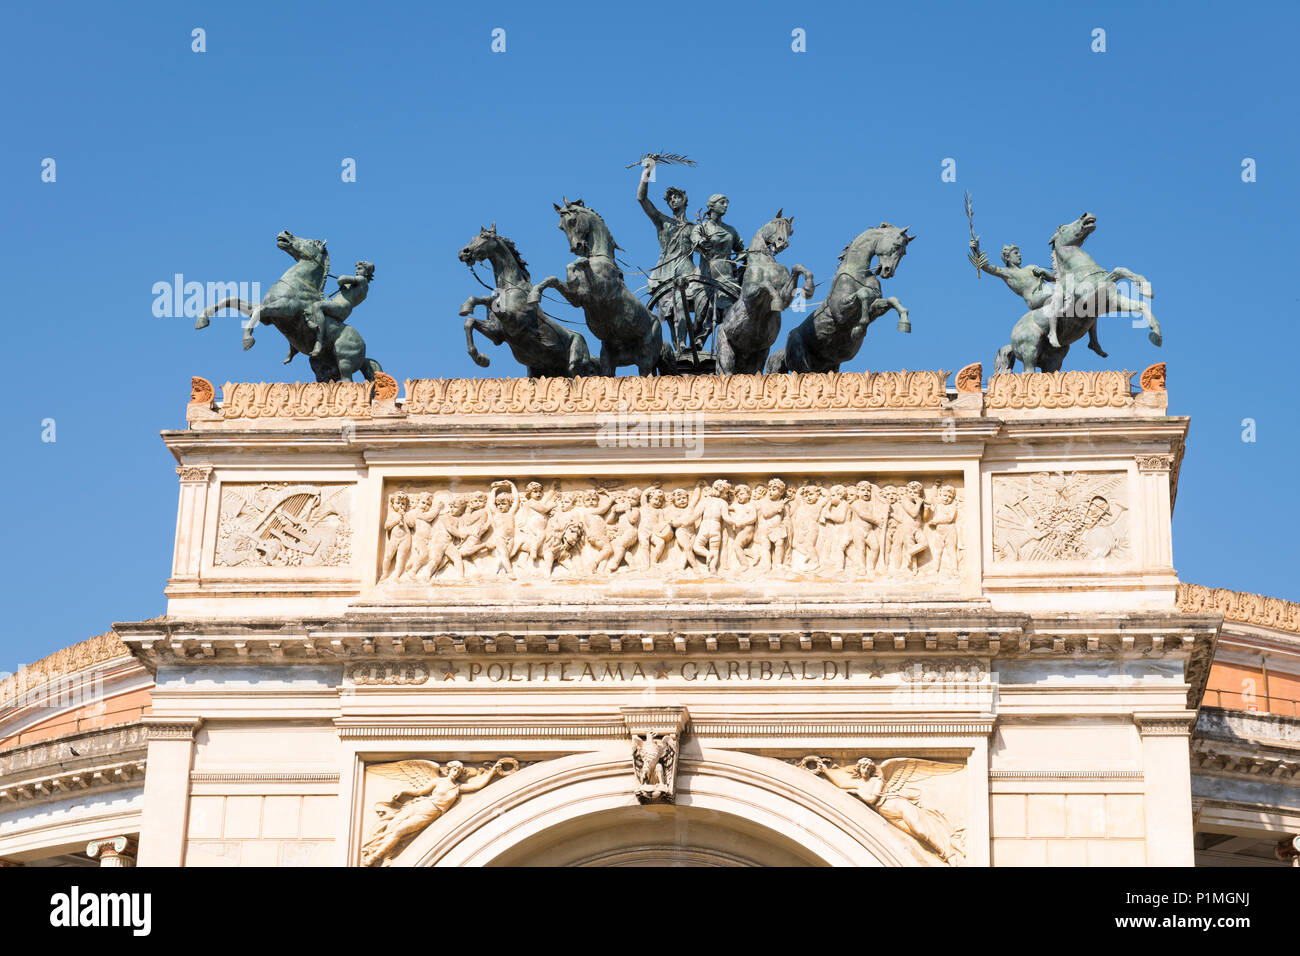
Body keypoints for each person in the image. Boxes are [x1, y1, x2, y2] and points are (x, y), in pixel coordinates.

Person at [637, 158, 696, 354]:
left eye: (676, 196)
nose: (673, 200)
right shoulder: (663, 221)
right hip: (665, 271)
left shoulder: (695, 228)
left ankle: (685, 342)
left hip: (686, 269)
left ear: (684, 199)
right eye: (670, 198)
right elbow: (642, 199)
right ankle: (679, 345)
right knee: (670, 315)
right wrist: (648, 171)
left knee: (684, 305)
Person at [290, 260, 375, 363]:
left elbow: (342, 279)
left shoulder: (362, 281)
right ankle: (295, 346)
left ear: (366, 272)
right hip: (339, 306)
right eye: (356, 269)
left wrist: (342, 280)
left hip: (342, 307)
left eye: (360, 269)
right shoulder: (356, 285)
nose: (357, 271)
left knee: (318, 306)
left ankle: (319, 341)